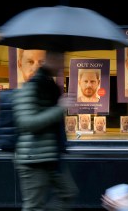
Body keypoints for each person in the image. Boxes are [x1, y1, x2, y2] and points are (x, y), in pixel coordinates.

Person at [12, 51, 78, 210]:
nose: (62, 64)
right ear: (50, 59)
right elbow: (26, 123)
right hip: (33, 158)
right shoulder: (31, 86)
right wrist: (59, 108)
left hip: (51, 156)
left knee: (68, 193)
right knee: (34, 206)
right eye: (60, 58)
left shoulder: (50, 85)